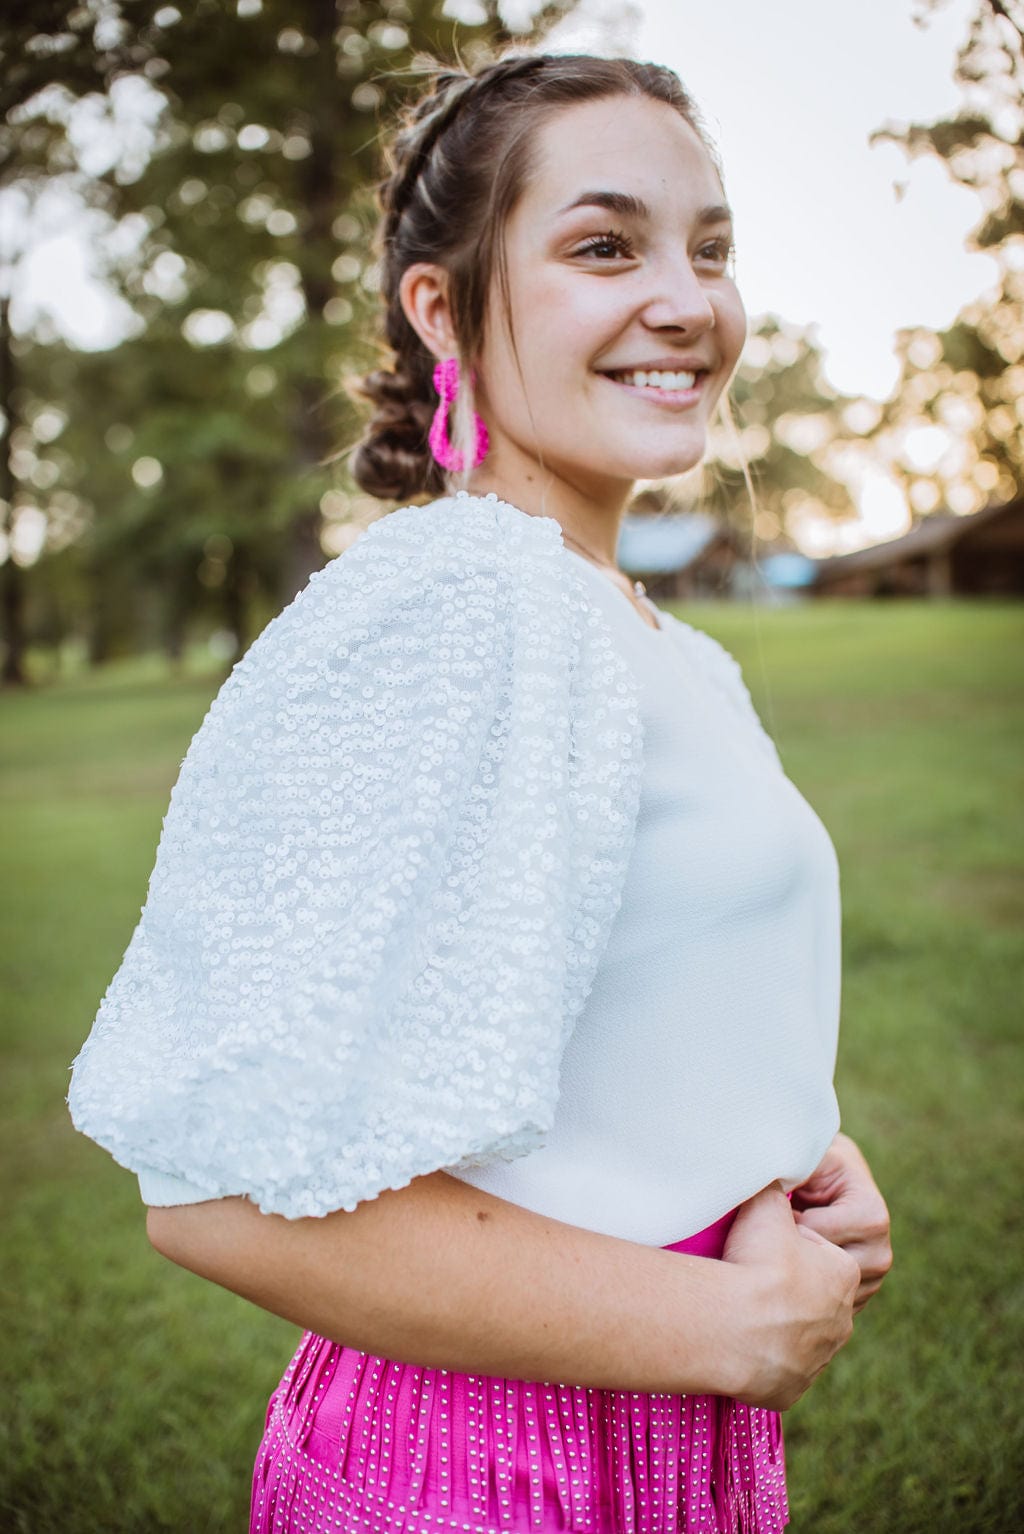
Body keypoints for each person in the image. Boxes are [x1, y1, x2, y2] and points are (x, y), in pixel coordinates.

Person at [67, 51, 893, 1534]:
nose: (687, 300)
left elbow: (606, 1013)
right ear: (439, 305)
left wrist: (788, 1164)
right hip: (476, 1463)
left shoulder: (655, 642)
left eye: (710, 248)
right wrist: (722, 1327)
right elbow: (211, 1190)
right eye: (602, 244)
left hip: (660, 1422)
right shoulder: (451, 610)